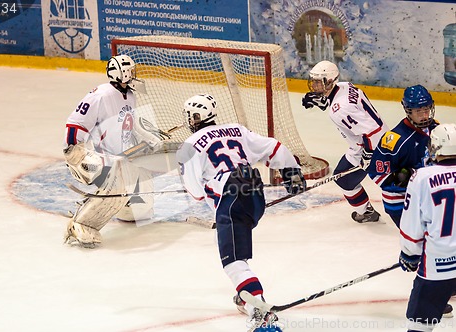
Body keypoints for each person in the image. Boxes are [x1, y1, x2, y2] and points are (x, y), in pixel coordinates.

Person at [176, 93, 306, 331]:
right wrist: (291, 172)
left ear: (193, 117)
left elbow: (195, 192)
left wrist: (212, 190)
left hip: (231, 199)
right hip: (255, 194)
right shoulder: (236, 130)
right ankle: (245, 298)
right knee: (238, 253)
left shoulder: (188, 146)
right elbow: (274, 147)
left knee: (233, 262)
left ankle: (262, 314)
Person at [63, 54, 162, 248]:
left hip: (120, 157)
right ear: (122, 73)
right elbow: (75, 123)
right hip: (95, 156)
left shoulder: (130, 95)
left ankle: (121, 206)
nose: (134, 74)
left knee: (142, 207)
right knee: (116, 184)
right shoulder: (101, 95)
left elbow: (129, 123)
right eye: (131, 71)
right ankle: (81, 223)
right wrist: (75, 153)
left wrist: (148, 136)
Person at [302, 60, 388, 223]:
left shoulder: (340, 110)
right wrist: (318, 101)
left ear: (329, 82)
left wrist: (368, 156)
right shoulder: (344, 86)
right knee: (343, 179)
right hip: (370, 141)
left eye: (318, 82)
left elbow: (369, 131)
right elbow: (340, 102)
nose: (313, 86)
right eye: (313, 81)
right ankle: (366, 212)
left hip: (374, 145)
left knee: (389, 183)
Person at [398, 123, 456, 332]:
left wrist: (410, 254)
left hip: (437, 266)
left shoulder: (422, 177)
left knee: (420, 326)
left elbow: (412, 224)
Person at [368, 85, 438, 228]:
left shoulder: (435, 128)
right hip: (401, 202)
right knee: (419, 243)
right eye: (419, 111)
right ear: (408, 111)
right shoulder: (395, 140)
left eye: (427, 109)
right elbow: (377, 173)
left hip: (427, 195)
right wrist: (399, 179)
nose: (425, 115)